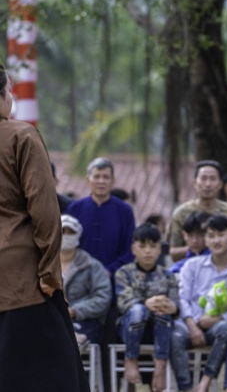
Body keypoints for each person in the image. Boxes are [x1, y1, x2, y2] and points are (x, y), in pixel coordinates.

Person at [0, 65, 88, 391]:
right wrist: (50, 276)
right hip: (22, 278)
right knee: (52, 376)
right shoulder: (20, 136)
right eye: (9, 90)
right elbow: (46, 213)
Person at [170, 214, 227, 392]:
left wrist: (216, 319)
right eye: (211, 235)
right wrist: (192, 325)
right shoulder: (192, 265)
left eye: (221, 235)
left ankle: (204, 384)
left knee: (226, 328)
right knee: (174, 335)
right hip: (188, 324)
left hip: (215, 327)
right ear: (206, 240)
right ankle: (186, 389)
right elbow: (182, 298)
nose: (216, 240)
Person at [115, 223, 179, 391]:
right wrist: (145, 303)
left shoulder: (168, 275)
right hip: (129, 329)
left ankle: (160, 366)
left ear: (160, 249)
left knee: (163, 311)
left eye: (153, 246)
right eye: (142, 246)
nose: (148, 251)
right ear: (133, 249)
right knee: (138, 310)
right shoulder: (123, 273)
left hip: (159, 331)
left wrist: (172, 307)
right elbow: (123, 302)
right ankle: (131, 359)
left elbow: (176, 302)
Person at [66, 157, 136, 276]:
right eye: (96, 176)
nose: (101, 181)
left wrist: (110, 270)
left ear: (113, 181)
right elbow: (66, 244)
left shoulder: (125, 211)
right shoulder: (74, 209)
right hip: (78, 276)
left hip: (115, 277)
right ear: (88, 180)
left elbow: (130, 249)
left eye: (106, 177)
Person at [169, 160, 227, 261]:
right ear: (194, 182)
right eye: (203, 178)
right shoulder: (181, 213)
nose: (208, 184)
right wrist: (198, 248)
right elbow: (173, 252)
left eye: (213, 179)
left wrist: (220, 248)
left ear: (220, 184)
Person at [60, 214, 112, 347]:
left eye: (70, 232)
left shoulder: (92, 266)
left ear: (78, 235)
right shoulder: (43, 265)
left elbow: (103, 298)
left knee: (69, 342)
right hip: (51, 320)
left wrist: (75, 311)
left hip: (86, 322)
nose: (66, 236)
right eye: (62, 231)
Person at [169, 211, 227, 275]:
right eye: (190, 235)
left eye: (200, 235)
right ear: (184, 235)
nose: (195, 240)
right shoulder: (185, 264)